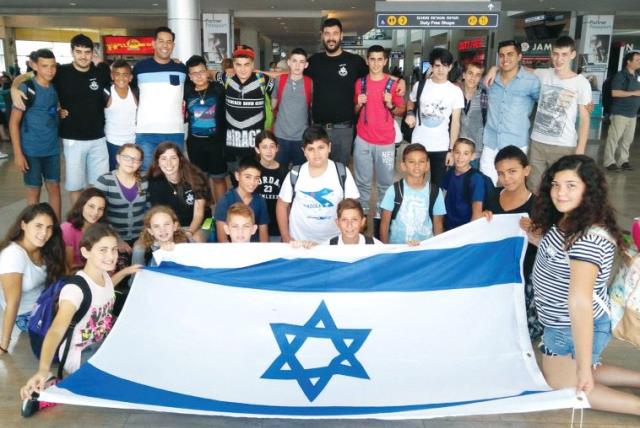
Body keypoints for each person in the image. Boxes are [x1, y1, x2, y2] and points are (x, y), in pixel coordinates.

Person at [525, 155, 640, 416]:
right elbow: (561, 257)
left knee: (564, 383)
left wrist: (584, 365)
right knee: (574, 369)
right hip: (561, 321)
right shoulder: (571, 219)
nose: (560, 192)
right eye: (556, 184)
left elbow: (580, 303)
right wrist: (537, 239)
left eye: (570, 185)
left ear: (589, 189)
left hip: (571, 324)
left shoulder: (587, 240)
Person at [18, 223, 137, 396]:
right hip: (81, 354)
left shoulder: (103, 275)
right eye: (103, 250)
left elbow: (107, 287)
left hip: (101, 343)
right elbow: (56, 331)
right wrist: (42, 370)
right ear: (85, 252)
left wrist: (127, 271)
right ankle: (52, 381)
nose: (111, 256)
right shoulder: (75, 290)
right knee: (127, 378)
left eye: (113, 249)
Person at [12, 34, 111, 205]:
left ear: (93, 53)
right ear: (72, 52)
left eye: (87, 52)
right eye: (78, 51)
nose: (83, 56)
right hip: (72, 139)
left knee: (99, 186)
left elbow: (119, 75)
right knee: (75, 186)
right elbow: (33, 76)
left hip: (98, 139)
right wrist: (14, 88)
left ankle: (95, 226)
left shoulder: (100, 72)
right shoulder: (61, 72)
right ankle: (77, 224)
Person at [305, 18, 405, 165]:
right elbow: (292, 72)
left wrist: (399, 80)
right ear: (322, 36)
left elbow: (376, 72)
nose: (331, 37)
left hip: (344, 130)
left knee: (340, 171)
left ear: (341, 36)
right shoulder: (314, 61)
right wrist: (259, 71)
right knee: (318, 169)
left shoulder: (354, 61)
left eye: (335, 33)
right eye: (327, 34)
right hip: (319, 128)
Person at [483, 145, 542, 340]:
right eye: (501, 173)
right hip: (498, 274)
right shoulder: (493, 197)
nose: (506, 178)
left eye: (512, 172)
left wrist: (535, 232)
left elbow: (552, 245)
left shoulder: (538, 205)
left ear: (527, 170)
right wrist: (484, 220)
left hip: (525, 277)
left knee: (522, 332)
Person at [527, 36, 592, 192]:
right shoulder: (543, 74)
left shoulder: (581, 83)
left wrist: (580, 151)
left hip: (564, 145)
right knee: (534, 188)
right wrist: (495, 68)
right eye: (555, 54)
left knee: (560, 190)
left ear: (572, 55)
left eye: (564, 54)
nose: (559, 59)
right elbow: (520, 70)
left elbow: (584, 119)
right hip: (538, 143)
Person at [0, 203, 65, 355]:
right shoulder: (13, 255)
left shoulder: (45, 247)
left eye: (49, 227)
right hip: (28, 315)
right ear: (23, 224)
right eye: (38, 226)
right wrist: (4, 344)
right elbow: (12, 302)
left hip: (47, 302)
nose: (44, 233)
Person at [277, 125, 359, 244]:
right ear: (303, 151)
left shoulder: (342, 172)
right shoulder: (295, 173)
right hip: (299, 242)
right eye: (311, 149)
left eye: (321, 147)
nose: (316, 154)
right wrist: (286, 237)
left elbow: (353, 207)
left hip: (334, 243)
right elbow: (281, 205)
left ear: (329, 147)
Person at [353, 44, 405, 233]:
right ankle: (363, 220)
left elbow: (401, 109)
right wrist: (358, 105)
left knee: (385, 184)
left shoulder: (393, 84)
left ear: (384, 61)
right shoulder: (360, 83)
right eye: (372, 59)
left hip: (385, 142)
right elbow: (355, 111)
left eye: (379, 59)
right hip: (363, 140)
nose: (375, 63)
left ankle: (381, 222)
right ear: (367, 61)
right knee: (363, 184)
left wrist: (390, 104)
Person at [8, 48, 62, 220]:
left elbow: (49, 111)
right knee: (33, 191)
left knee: (54, 188)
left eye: (53, 66)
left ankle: (56, 229)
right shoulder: (27, 88)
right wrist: (18, 154)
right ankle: (33, 230)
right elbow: (13, 123)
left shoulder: (54, 87)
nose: (50, 70)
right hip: (31, 151)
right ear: (34, 66)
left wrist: (59, 113)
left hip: (52, 149)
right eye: (44, 66)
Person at [481, 40, 540, 184]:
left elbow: (546, 103)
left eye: (510, 54)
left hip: (516, 143)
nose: (505, 59)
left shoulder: (531, 81)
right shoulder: (490, 80)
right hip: (491, 142)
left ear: (519, 57)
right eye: (501, 55)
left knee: (513, 187)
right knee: (486, 186)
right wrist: (494, 69)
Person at [404, 48, 464, 189]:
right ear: (431, 67)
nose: (441, 70)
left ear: (450, 67)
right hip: (418, 143)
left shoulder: (455, 91)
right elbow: (411, 101)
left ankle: (434, 211)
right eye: (437, 65)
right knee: (415, 182)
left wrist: (451, 150)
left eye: (445, 65)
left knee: (438, 186)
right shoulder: (420, 86)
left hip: (441, 146)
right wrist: (410, 113)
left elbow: (455, 122)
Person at [133, 26, 187, 170]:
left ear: (173, 45)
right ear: (153, 43)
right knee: (146, 174)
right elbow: (130, 93)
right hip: (146, 132)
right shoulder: (140, 67)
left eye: (169, 42)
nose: (165, 45)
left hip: (174, 132)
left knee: (174, 174)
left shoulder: (181, 68)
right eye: (161, 41)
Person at [219, 45, 274, 178]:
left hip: (255, 148)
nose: (242, 69)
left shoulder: (263, 80)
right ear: (233, 65)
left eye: (247, 64)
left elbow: (285, 76)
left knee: (255, 183)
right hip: (232, 148)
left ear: (252, 65)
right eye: (238, 65)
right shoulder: (225, 78)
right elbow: (206, 72)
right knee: (236, 184)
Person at [379, 143, 445, 245]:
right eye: (411, 162)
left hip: (424, 249)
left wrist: (437, 251)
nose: (417, 165)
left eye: (421, 161)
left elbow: (438, 225)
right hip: (398, 249)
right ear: (403, 166)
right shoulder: (394, 190)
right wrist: (385, 250)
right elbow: (384, 225)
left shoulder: (435, 192)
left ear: (427, 165)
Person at [147, 142, 211, 243]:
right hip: (172, 227)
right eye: (164, 158)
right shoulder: (154, 182)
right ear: (157, 162)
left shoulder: (196, 177)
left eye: (173, 158)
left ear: (180, 160)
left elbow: (198, 214)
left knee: (195, 239)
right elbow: (160, 213)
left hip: (201, 223)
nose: (169, 163)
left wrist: (189, 233)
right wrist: (174, 233)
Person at [184, 55, 227, 202]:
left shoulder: (218, 89)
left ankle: (220, 212)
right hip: (195, 144)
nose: (199, 76)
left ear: (207, 71)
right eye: (194, 73)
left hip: (216, 144)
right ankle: (206, 213)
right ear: (189, 76)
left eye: (201, 71)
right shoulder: (187, 90)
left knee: (219, 179)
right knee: (200, 181)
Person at [95, 144, 148, 250]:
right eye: (126, 157)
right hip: (112, 237)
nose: (131, 162)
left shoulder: (145, 180)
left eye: (136, 159)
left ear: (140, 163)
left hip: (142, 237)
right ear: (118, 158)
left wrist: (144, 236)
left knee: (142, 259)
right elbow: (99, 216)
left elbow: (151, 210)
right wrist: (116, 239)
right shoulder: (105, 181)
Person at [272, 48, 312, 167]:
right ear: (288, 62)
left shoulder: (310, 83)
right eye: (294, 61)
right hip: (280, 136)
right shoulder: (279, 80)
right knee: (279, 172)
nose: (297, 65)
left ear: (306, 65)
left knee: (300, 173)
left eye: (301, 62)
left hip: (301, 137)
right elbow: (272, 105)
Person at [215, 156, 269, 243]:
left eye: (256, 178)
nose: (252, 182)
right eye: (248, 177)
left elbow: (263, 234)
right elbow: (222, 238)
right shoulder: (225, 200)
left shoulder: (260, 201)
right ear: (237, 176)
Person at [603, 51, 640, 171]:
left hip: (632, 114)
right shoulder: (620, 76)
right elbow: (615, 93)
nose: (639, 62)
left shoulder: (636, 76)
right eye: (637, 60)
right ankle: (609, 162)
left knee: (627, 140)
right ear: (628, 62)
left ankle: (623, 160)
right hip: (620, 113)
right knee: (614, 138)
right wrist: (634, 93)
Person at [441, 138, 486, 231]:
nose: (460, 157)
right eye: (457, 152)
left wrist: (468, 234)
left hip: (464, 229)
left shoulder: (476, 178)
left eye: (466, 153)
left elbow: (477, 212)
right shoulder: (450, 172)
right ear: (452, 153)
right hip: (448, 226)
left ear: (472, 156)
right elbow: (443, 197)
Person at [60, 188, 107, 272]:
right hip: (73, 276)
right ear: (82, 206)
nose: (95, 212)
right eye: (91, 206)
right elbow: (68, 266)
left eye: (100, 209)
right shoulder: (67, 229)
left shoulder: (102, 230)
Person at [254, 131, 288, 241]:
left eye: (272, 146)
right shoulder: (251, 170)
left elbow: (288, 203)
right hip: (254, 226)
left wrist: (286, 230)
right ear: (257, 149)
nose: (269, 151)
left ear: (277, 148)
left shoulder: (284, 172)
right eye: (264, 147)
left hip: (277, 226)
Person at [104, 59, 137, 171]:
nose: (121, 78)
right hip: (112, 142)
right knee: (114, 174)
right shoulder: (106, 93)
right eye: (117, 74)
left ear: (130, 77)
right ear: (112, 76)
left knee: (131, 173)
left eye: (125, 74)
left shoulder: (136, 93)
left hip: (132, 142)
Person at [458, 62, 488, 169]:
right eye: (470, 73)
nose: (473, 78)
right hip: (457, 148)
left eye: (477, 75)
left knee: (471, 181)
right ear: (464, 75)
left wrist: (495, 68)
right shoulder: (455, 93)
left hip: (475, 150)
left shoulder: (484, 95)